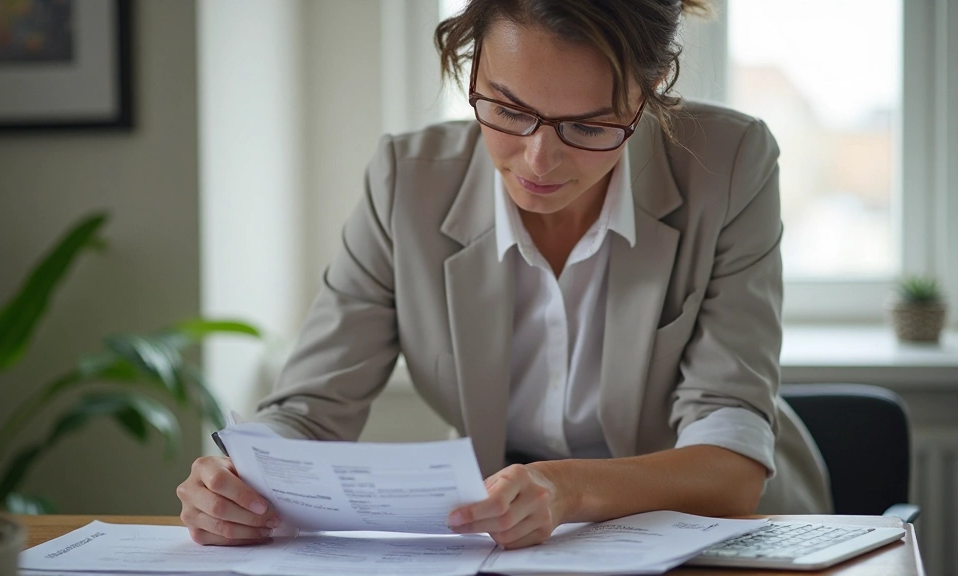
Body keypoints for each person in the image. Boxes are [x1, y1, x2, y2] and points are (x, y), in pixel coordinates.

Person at [177, 0, 833, 550]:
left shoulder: (729, 163)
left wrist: (567, 488)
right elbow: (307, 410)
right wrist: (241, 475)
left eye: (589, 124)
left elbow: (730, 462)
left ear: (649, 95)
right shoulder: (408, 183)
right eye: (509, 110)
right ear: (471, 66)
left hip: (718, 535)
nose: (539, 159)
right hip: (521, 547)